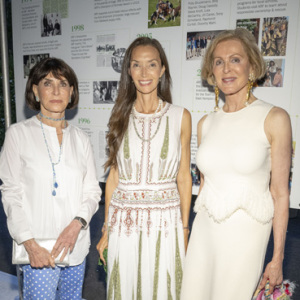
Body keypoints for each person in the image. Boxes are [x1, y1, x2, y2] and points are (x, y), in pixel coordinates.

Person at [181, 28, 291, 300]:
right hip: (204, 232)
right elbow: (205, 187)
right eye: (218, 61)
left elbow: (280, 193)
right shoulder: (206, 123)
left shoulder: (274, 118)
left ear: (252, 66)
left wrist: (277, 259)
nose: (226, 68)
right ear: (211, 70)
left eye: (235, 59)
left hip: (246, 234)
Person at [96, 37, 192, 299]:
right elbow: (113, 179)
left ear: (162, 70)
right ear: (129, 70)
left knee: (164, 289)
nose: (144, 72)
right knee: (124, 288)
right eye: (137, 65)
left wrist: (184, 229)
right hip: (123, 223)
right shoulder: (119, 117)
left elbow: (184, 177)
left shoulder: (180, 116)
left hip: (166, 223)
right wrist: (106, 229)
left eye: (151, 64)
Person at [0, 57, 101, 299]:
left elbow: (92, 192)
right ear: (35, 90)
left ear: (72, 91)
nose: (56, 91)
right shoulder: (17, 135)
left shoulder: (81, 139)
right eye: (48, 83)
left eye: (63, 84)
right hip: (38, 252)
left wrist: (76, 224)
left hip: (75, 246)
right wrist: (30, 245)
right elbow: (11, 193)